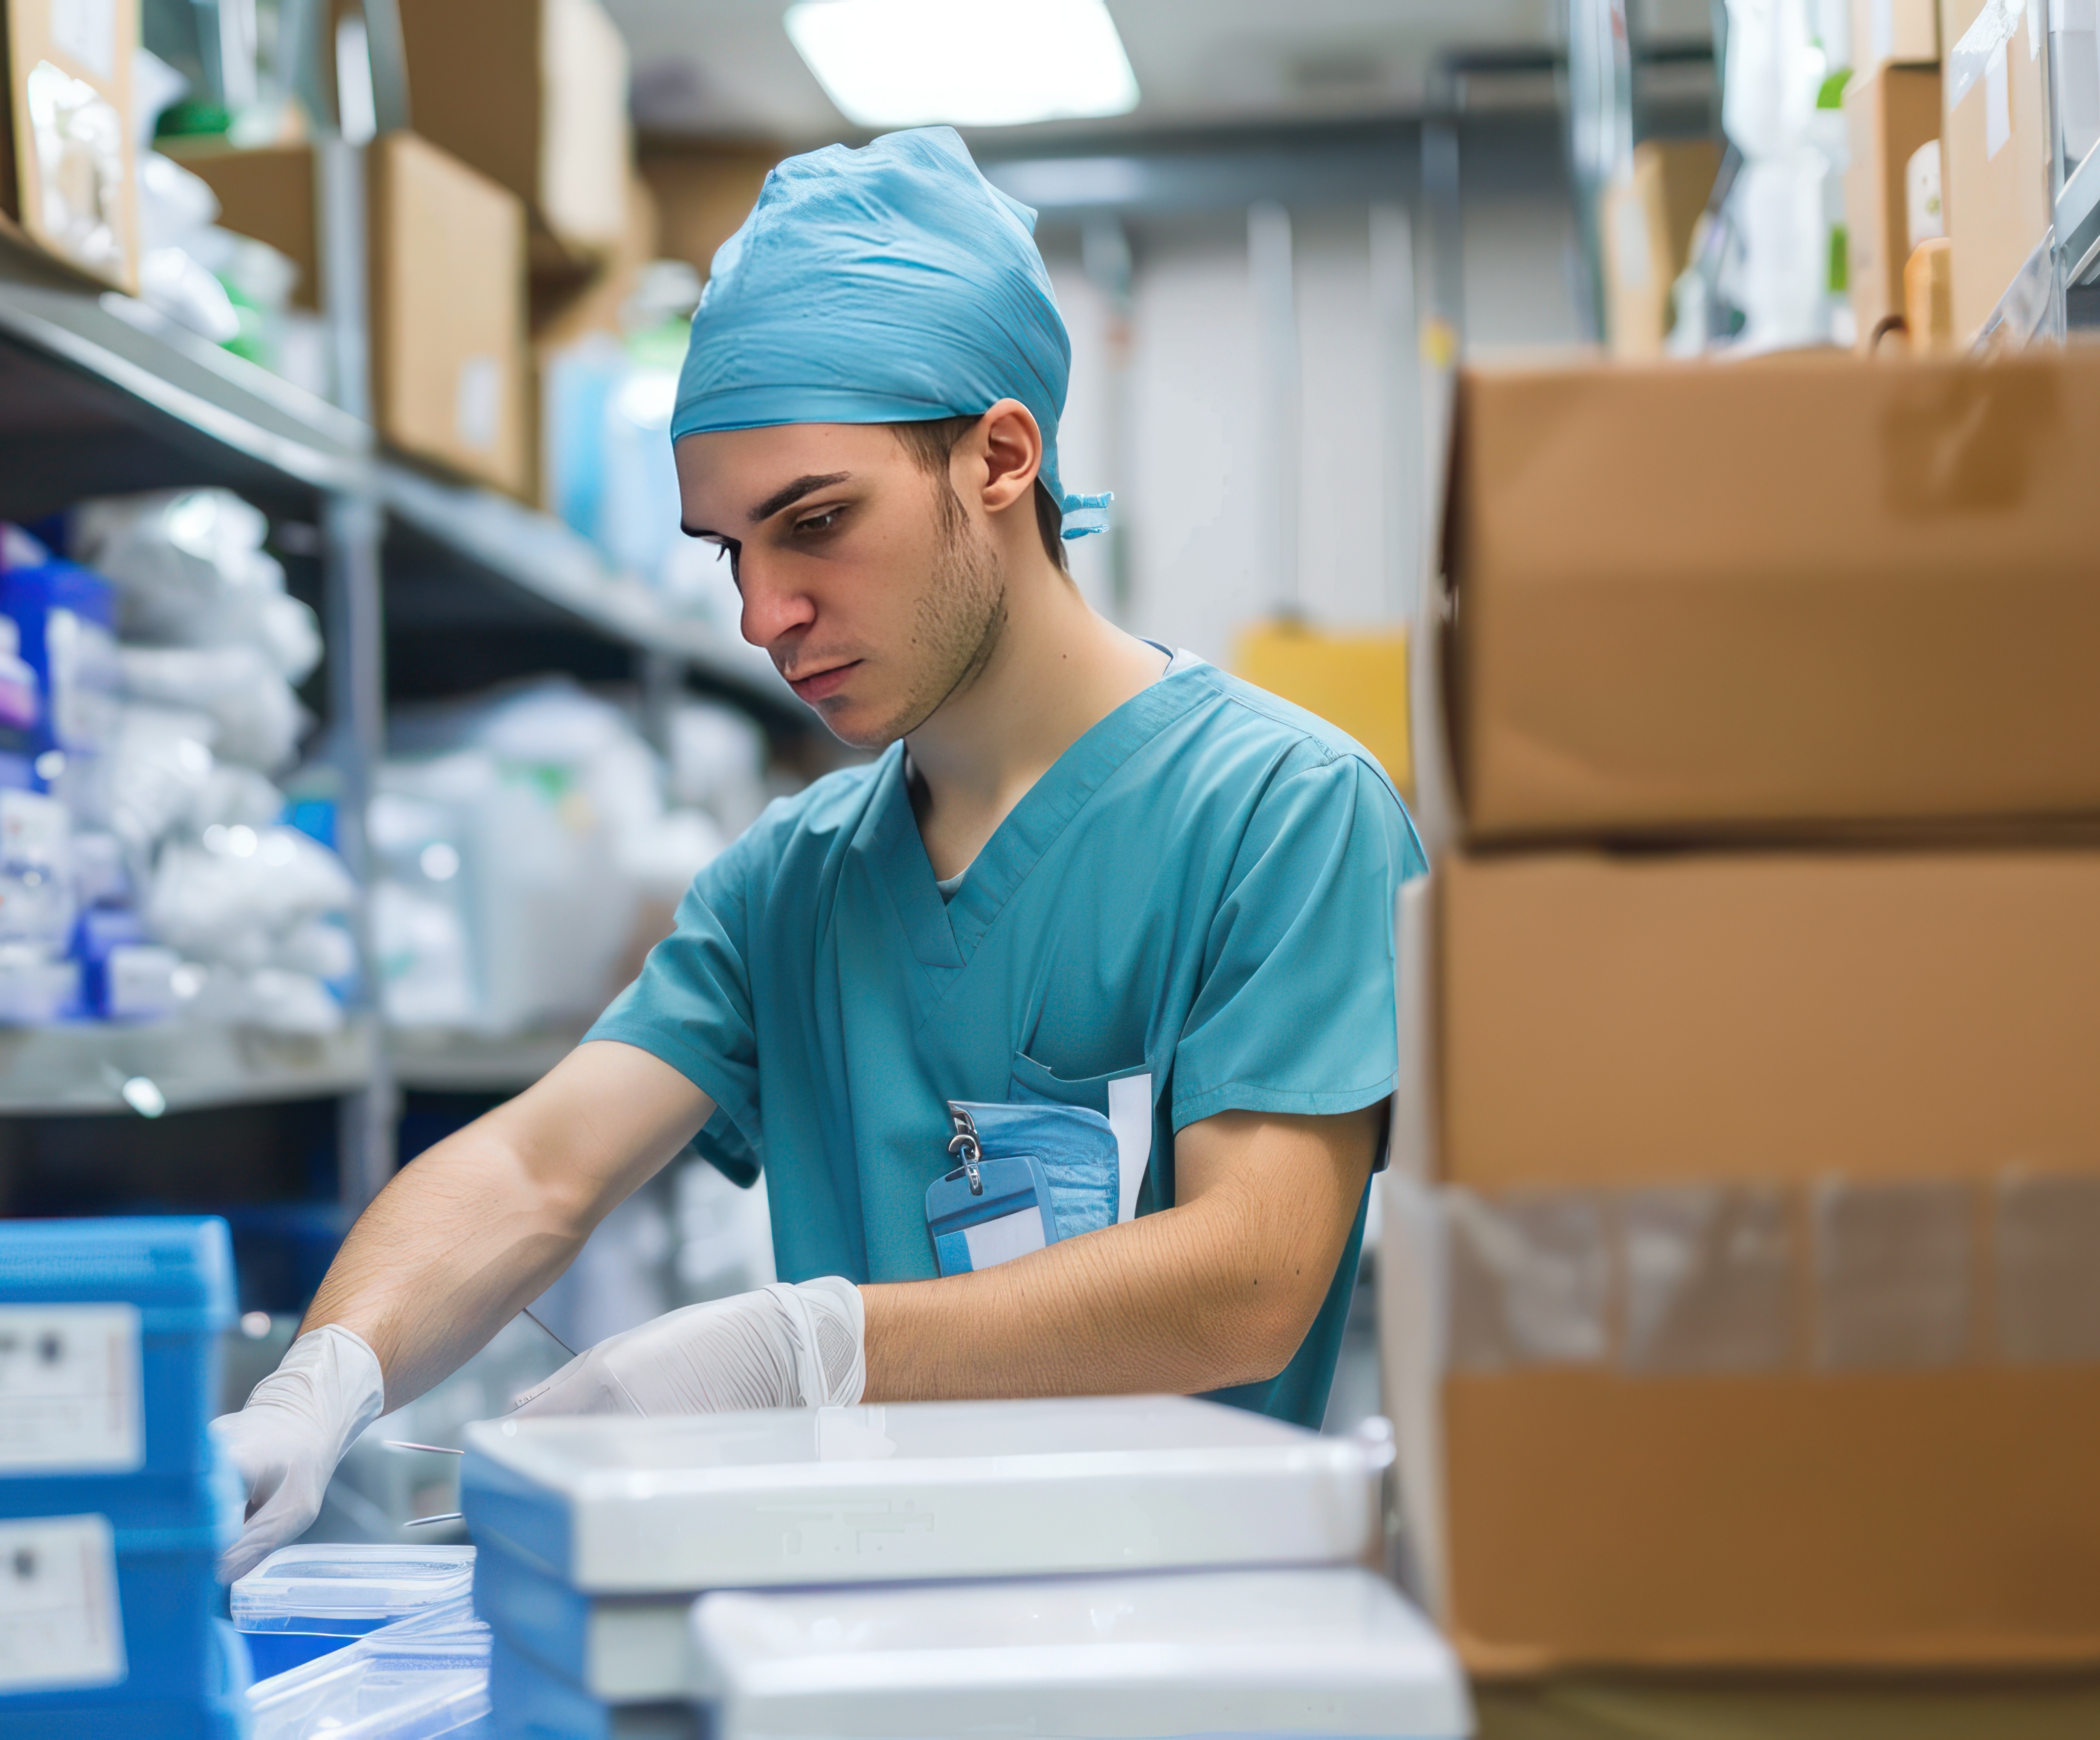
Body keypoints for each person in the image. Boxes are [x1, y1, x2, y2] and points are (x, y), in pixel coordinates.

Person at [211, 127, 1423, 1580]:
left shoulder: (1280, 814)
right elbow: (536, 1165)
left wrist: (810, 1348)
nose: (762, 614)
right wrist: (319, 1386)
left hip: (1185, 1648)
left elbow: (1255, 1278)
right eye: (730, 549)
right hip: (845, 1647)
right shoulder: (793, 883)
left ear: (1000, 455)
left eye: (817, 524)